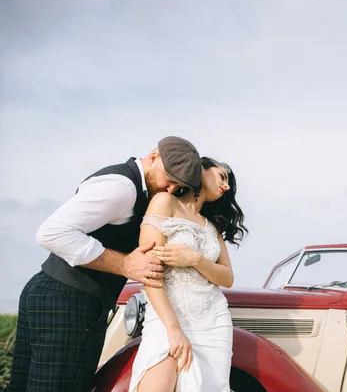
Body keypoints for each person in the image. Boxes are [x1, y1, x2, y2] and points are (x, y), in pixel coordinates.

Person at [9, 136, 203, 392]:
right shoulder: (123, 188)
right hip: (68, 302)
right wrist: (125, 265)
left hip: (52, 293)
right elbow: (51, 233)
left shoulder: (127, 184)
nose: (170, 189)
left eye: (178, 186)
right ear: (154, 157)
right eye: (170, 178)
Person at [128, 156, 247, 392]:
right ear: (201, 167)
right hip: (167, 319)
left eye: (228, 187)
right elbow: (148, 272)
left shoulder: (212, 226)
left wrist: (195, 259)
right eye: (222, 177)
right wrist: (173, 328)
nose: (225, 187)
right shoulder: (165, 202)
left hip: (213, 323)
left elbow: (227, 278)